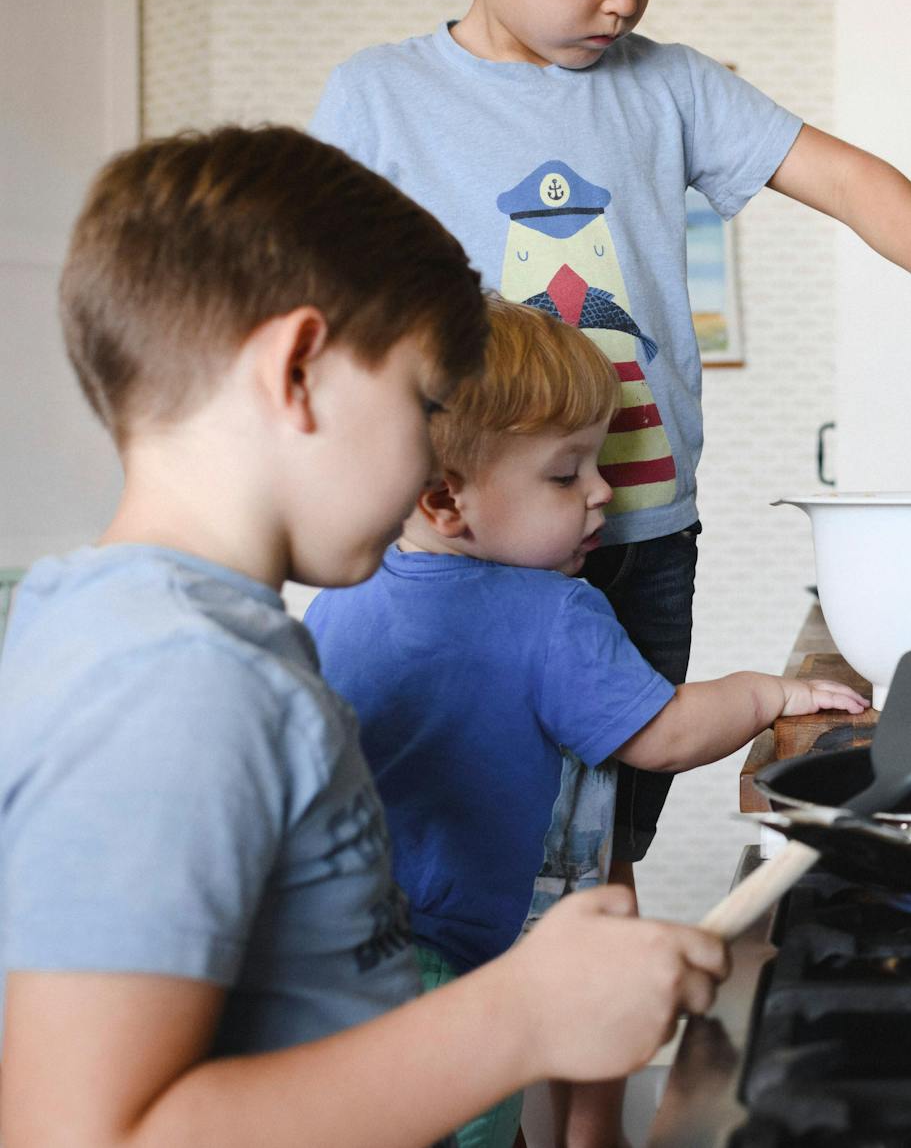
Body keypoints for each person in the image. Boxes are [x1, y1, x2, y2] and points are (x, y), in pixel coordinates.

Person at [0, 126, 729, 1148]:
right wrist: (519, 1014)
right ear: (296, 369)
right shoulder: (175, 680)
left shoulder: (175, 632)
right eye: (426, 402)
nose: (433, 461)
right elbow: (82, 1132)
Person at [308, 0, 911, 903]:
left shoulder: (672, 87)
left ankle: (590, 1045)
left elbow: (845, 177)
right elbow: (314, 307)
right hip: (447, 545)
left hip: (636, 531)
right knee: (436, 833)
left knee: (602, 846)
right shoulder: (379, 95)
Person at [304, 297, 864, 1148]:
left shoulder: (337, 599)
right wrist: (766, 693)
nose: (603, 492)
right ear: (445, 498)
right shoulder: (555, 610)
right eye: (567, 475)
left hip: (334, 961)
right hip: (462, 960)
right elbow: (663, 733)